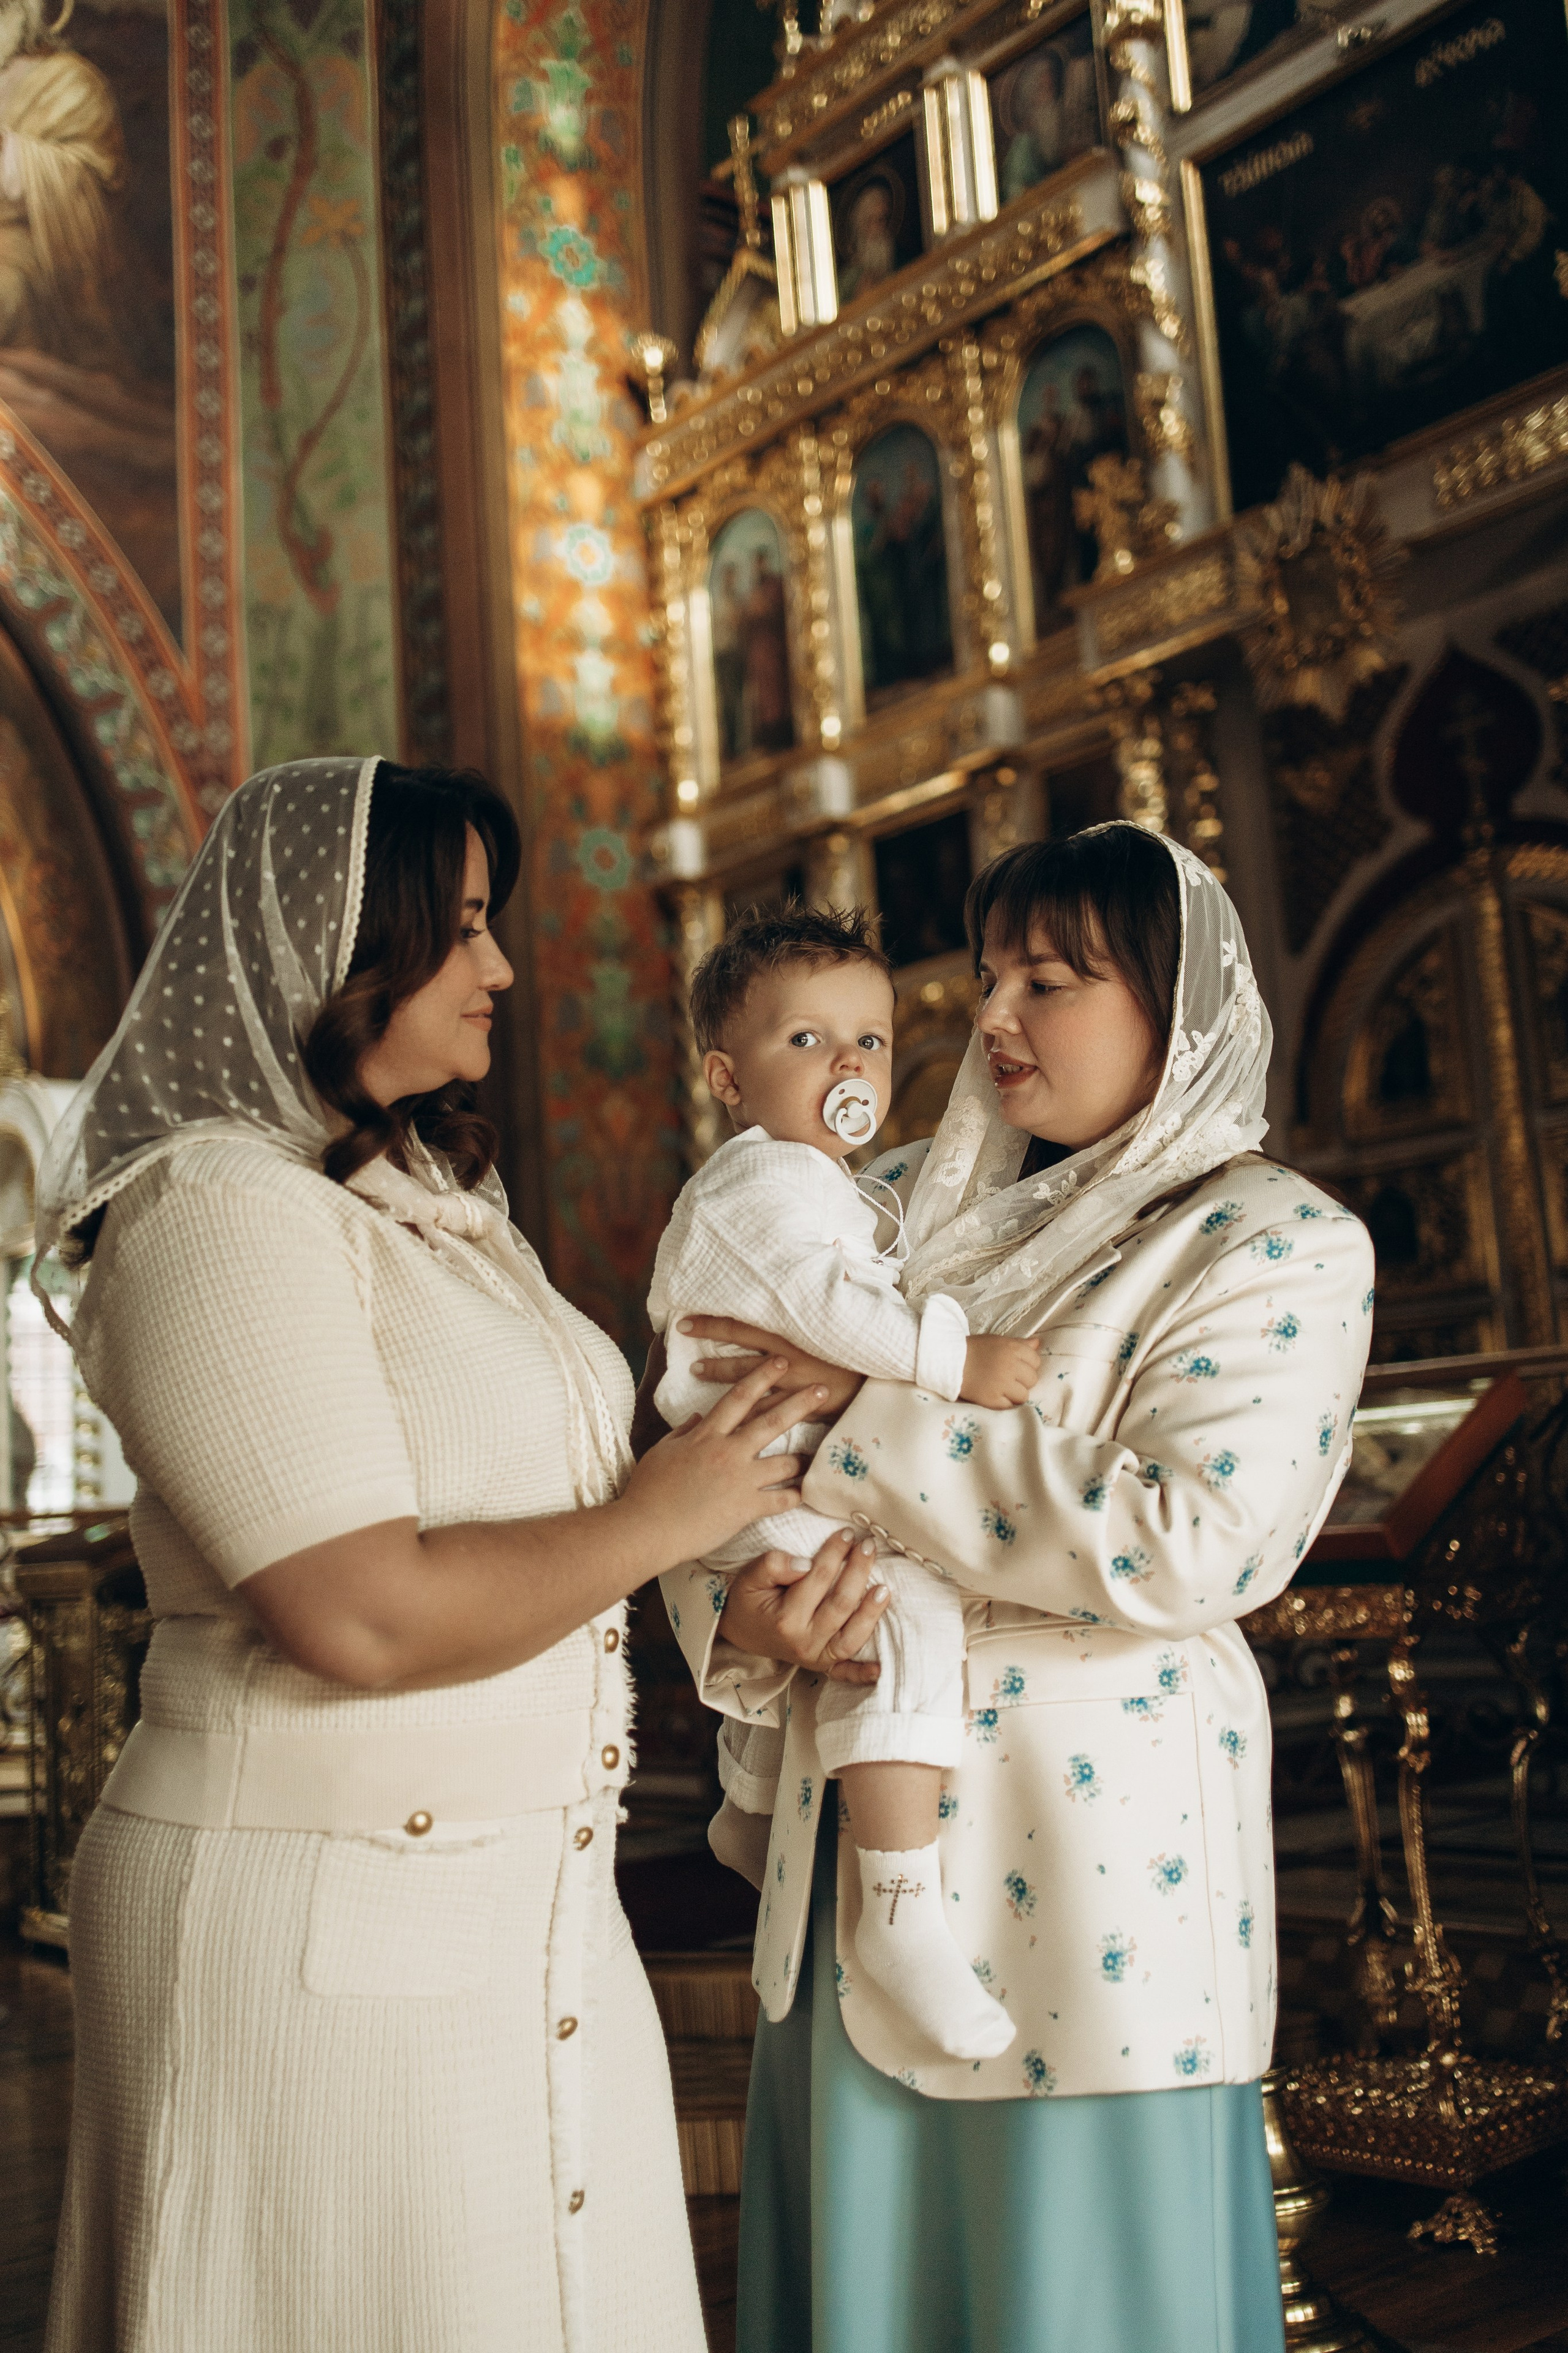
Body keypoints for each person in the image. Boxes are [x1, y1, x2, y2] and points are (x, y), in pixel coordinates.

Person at [38, 755, 827, 2353]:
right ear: (336, 943)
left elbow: (570, 1510)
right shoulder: (211, 1207)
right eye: (460, 927)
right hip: (313, 1911)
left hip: (528, 1898)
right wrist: (671, 1510)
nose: (503, 969)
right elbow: (359, 1610)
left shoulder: (436, 1206)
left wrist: (744, 1582)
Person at [659, 823, 1374, 2352]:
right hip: (849, 1875)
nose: (991, 1017)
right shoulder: (871, 1204)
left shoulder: (1272, 1244)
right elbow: (703, 1449)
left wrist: (853, 1420)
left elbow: (1188, 1538)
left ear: (1170, 1014)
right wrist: (738, 1622)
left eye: (1047, 980)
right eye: (987, 978)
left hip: (1093, 1887)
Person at [649, 904, 1039, 2062]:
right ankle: (903, 1907)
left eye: (868, 1040)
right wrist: (956, 1361)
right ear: (728, 1076)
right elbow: (833, 1311)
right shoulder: (768, 1183)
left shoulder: (819, 1182)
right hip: (761, 1465)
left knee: (846, 1611)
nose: (851, 1066)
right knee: (900, 1611)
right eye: (807, 1041)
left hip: (769, 1467)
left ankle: (752, 1797)